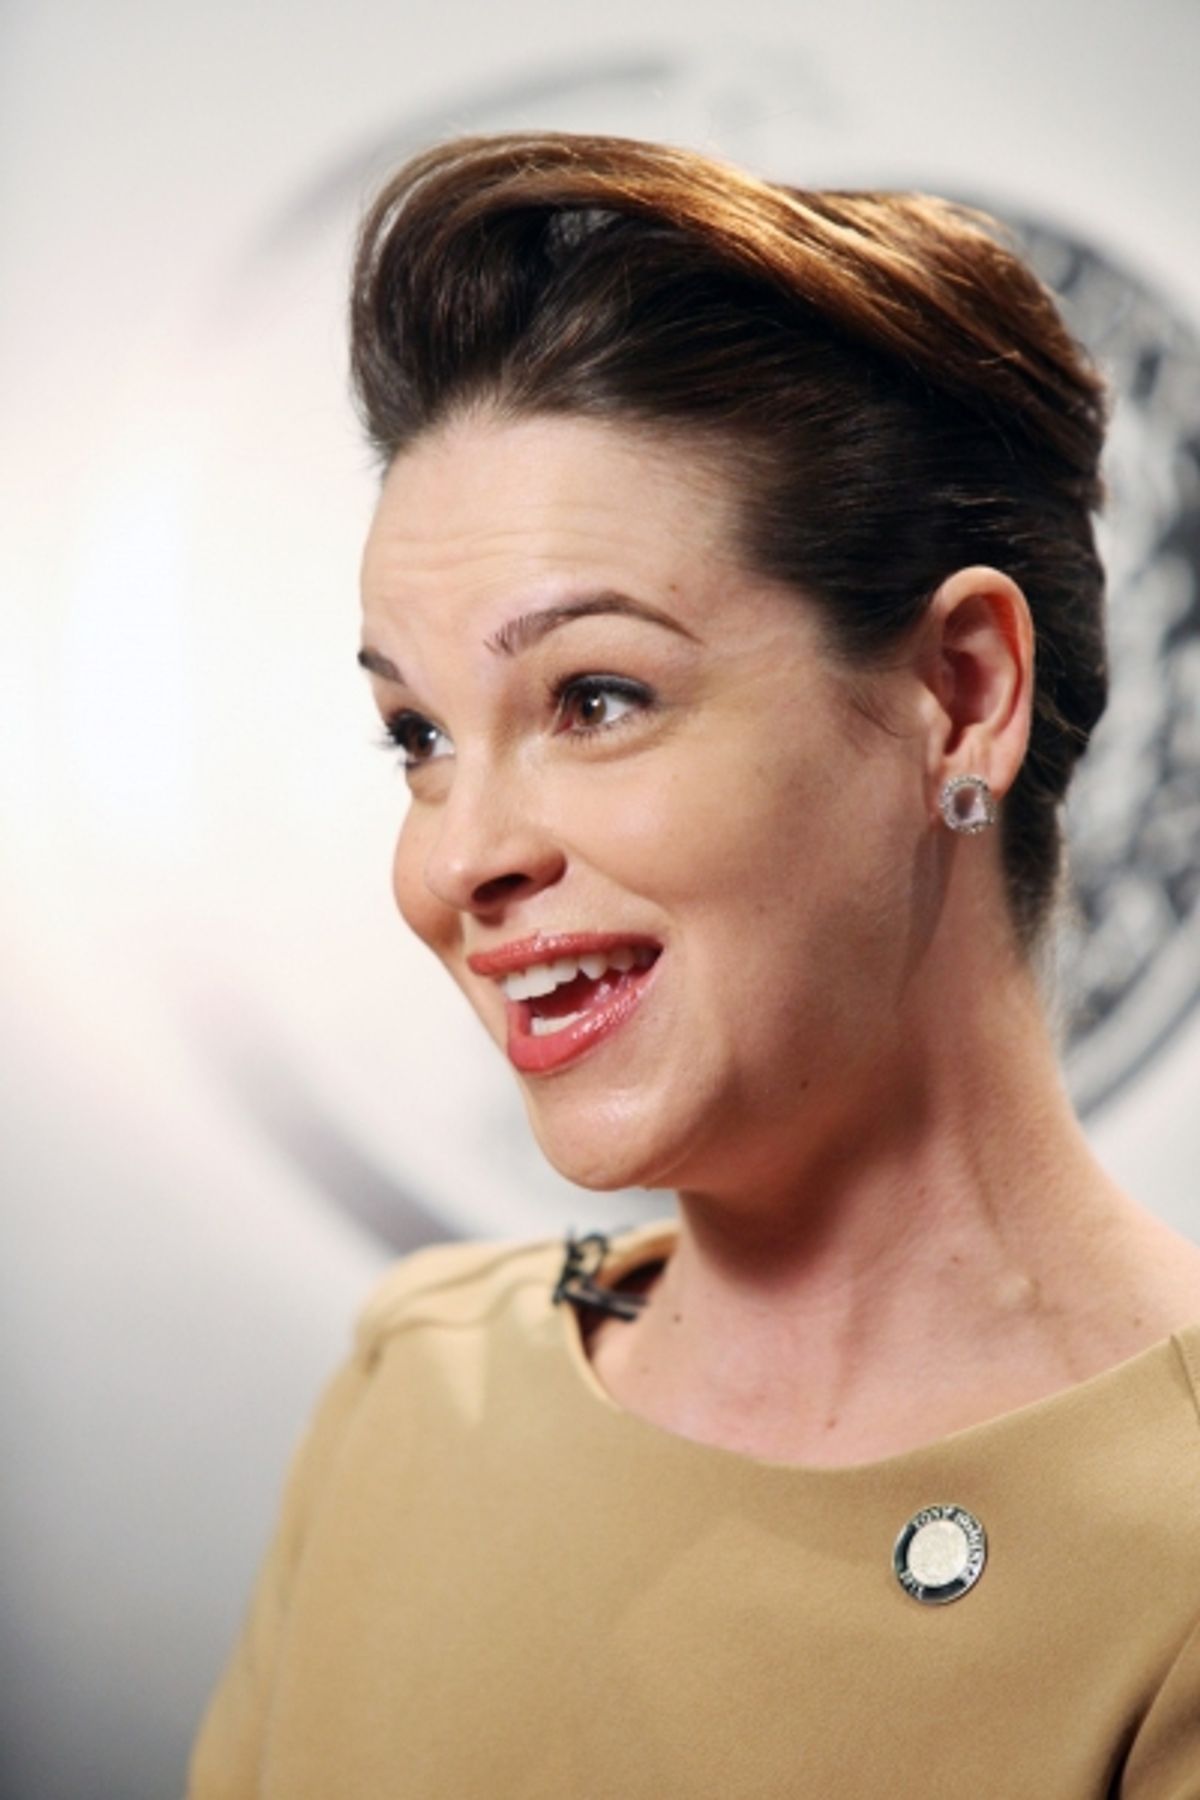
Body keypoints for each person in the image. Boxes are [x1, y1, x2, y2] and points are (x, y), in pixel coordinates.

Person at [189, 132, 1200, 1797]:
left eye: (595, 698)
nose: (450, 862)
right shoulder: (415, 1389)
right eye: (419, 736)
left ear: (961, 695)